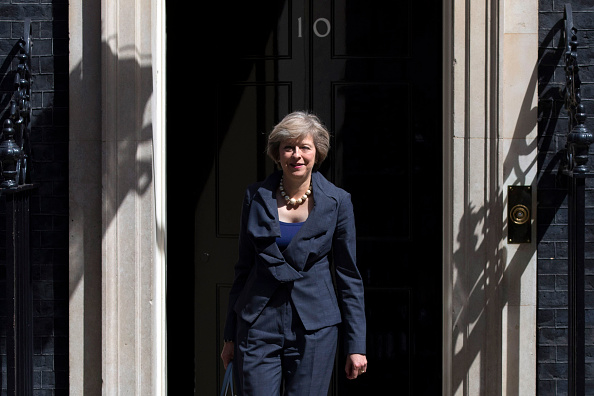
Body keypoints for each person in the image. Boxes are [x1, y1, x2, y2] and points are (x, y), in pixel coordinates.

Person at [220, 111, 367, 395]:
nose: (296, 155)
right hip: (257, 324)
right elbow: (243, 268)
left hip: (315, 328)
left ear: (317, 152)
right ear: (278, 153)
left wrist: (356, 345)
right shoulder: (255, 196)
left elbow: (349, 276)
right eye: (288, 147)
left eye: (304, 147)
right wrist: (229, 335)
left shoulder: (338, 202)